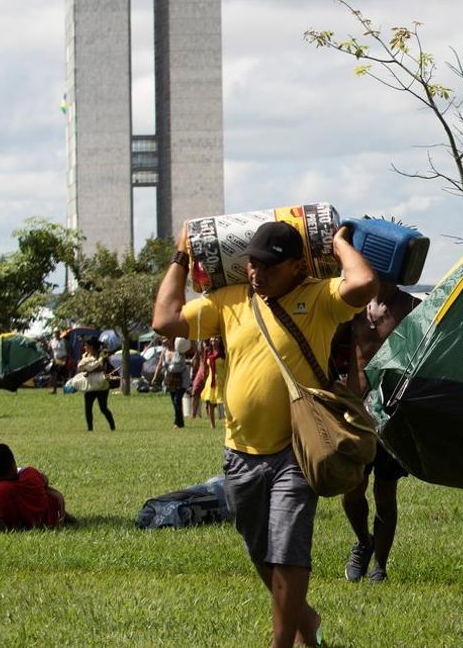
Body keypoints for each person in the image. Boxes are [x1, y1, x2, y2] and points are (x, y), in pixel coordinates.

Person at [153, 220, 377, 648]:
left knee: (288, 547)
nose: (257, 273)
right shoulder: (229, 300)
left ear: (296, 266)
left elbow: (364, 284)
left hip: (297, 449)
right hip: (240, 452)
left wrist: (339, 243)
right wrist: (180, 257)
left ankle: (281, 642)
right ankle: (304, 621)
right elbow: (165, 320)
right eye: (253, 264)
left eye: (269, 267)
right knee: (261, 550)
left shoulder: (318, 297)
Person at [331, 282, 420, 583]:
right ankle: (363, 542)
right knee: (351, 490)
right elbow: (330, 348)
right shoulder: (354, 306)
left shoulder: (411, 308)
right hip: (356, 413)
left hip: (391, 415)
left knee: (385, 492)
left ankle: (380, 565)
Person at [0, 443, 77, 530]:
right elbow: (45, 480)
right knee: (48, 491)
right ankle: (67, 518)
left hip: (23, 523)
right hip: (53, 514)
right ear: (13, 464)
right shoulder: (30, 473)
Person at [76, 338, 116, 431]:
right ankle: (90, 429)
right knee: (88, 408)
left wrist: (88, 370)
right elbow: (82, 367)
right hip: (90, 385)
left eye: (86, 345)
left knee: (103, 408)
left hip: (101, 384)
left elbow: (102, 367)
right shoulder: (85, 355)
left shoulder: (102, 354)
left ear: (91, 346)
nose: (84, 347)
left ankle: (112, 426)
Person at [155, 337, 189, 428]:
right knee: (174, 401)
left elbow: (181, 365)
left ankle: (177, 422)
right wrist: (155, 377)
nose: (164, 341)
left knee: (177, 400)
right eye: (162, 339)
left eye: (166, 339)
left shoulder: (179, 350)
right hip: (170, 380)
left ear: (171, 339)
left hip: (180, 379)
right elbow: (159, 364)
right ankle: (179, 422)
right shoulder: (164, 351)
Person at [201, 337, 226, 429]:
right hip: (211, 381)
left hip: (222, 379)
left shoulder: (224, 352)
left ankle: (227, 423)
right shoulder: (208, 353)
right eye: (212, 339)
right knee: (210, 403)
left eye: (216, 338)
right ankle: (212, 425)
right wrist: (204, 375)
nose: (213, 340)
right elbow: (205, 365)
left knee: (224, 403)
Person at [48, 330, 70, 394]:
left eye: (57, 333)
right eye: (55, 333)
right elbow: (50, 350)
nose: (56, 334)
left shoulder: (64, 341)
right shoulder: (52, 341)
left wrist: (67, 359)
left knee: (64, 376)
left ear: (59, 333)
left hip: (63, 359)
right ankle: (54, 390)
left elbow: (68, 350)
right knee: (54, 375)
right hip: (55, 360)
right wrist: (51, 358)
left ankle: (65, 390)